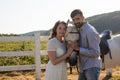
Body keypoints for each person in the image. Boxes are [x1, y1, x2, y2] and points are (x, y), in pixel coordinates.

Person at [70, 9, 102, 80]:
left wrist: (78, 48)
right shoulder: (80, 30)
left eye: (78, 19)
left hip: (92, 66)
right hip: (83, 66)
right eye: (74, 20)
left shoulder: (90, 31)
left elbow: (96, 53)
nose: (76, 22)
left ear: (83, 18)